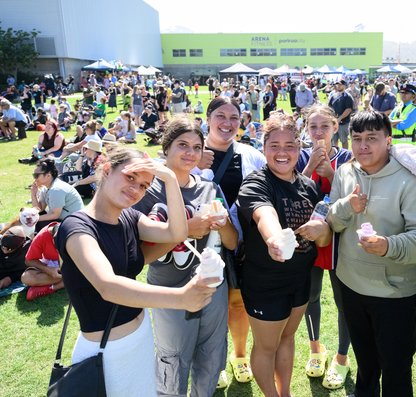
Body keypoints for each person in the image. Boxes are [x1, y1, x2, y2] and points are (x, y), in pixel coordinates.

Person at [55, 146, 219, 396]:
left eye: (144, 185)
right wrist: (181, 298)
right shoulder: (76, 227)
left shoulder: (129, 218)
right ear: (107, 170)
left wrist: (170, 179)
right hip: (106, 351)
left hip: (141, 338)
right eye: (130, 177)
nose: (136, 189)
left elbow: (176, 233)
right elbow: (108, 286)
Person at [326, 110, 416, 396]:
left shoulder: (409, 181)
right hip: (351, 286)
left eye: (372, 138)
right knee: (366, 365)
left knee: (397, 370)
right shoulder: (345, 172)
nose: (363, 146)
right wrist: (348, 206)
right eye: (357, 138)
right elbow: (333, 222)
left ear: (388, 141)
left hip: (395, 295)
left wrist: (389, 245)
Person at [134, 116, 238, 396]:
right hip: (168, 288)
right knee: (173, 358)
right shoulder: (147, 191)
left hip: (211, 287)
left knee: (212, 352)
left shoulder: (209, 188)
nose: (190, 153)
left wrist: (222, 221)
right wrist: (184, 231)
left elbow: (231, 241)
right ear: (166, 148)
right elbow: (141, 256)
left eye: (196, 146)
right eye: (182, 145)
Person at [236, 113, 332, 397]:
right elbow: (263, 213)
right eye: (274, 145)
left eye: (290, 145)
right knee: (266, 346)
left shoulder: (308, 186)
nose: (282, 152)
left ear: (299, 148)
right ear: (263, 148)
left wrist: (322, 230)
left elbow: (323, 237)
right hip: (266, 282)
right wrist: (274, 237)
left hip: (299, 280)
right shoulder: (256, 183)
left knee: (288, 338)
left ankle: (285, 392)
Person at [197, 97, 266, 387]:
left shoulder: (251, 154)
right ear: (208, 118)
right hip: (201, 244)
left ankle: (239, 357)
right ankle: (214, 361)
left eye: (234, 117)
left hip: (240, 242)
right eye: (220, 116)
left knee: (237, 304)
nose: (227, 123)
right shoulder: (192, 152)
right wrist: (194, 165)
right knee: (208, 306)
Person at [295, 104, 353, 389]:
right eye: (312, 127)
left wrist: (330, 174)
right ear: (306, 129)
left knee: (344, 301)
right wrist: (308, 168)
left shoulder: (348, 157)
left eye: (324, 127)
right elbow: (292, 193)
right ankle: (316, 349)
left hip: (341, 241)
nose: (318, 132)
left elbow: (354, 197)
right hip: (308, 239)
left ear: (334, 128)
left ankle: (342, 357)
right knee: (311, 296)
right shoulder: (299, 156)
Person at [30, 159, 84, 231]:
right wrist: (33, 194)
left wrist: (34, 219)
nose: (35, 178)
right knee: (35, 219)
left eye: (36, 175)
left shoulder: (57, 189)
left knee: (37, 223)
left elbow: (55, 215)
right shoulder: (45, 188)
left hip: (74, 223)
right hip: (63, 220)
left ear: (48, 175)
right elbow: (39, 210)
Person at [21, 221, 63, 301]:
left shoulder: (75, 235)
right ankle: (62, 282)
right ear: (52, 236)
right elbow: (29, 260)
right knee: (26, 278)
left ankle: (52, 288)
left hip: (71, 267)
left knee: (82, 273)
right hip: (51, 266)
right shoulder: (42, 236)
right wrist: (48, 270)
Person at [328, 80, 354, 150]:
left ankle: (345, 155)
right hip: (333, 122)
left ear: (344, 86)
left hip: (343, 122)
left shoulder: (347, 96)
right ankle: (336, 154)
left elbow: (348, 109)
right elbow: (329, 107)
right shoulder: (333, 96)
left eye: (340, 84)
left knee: (344, 140)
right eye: (337, 84)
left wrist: (340, 118)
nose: (338, 86)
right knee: (333, 140)